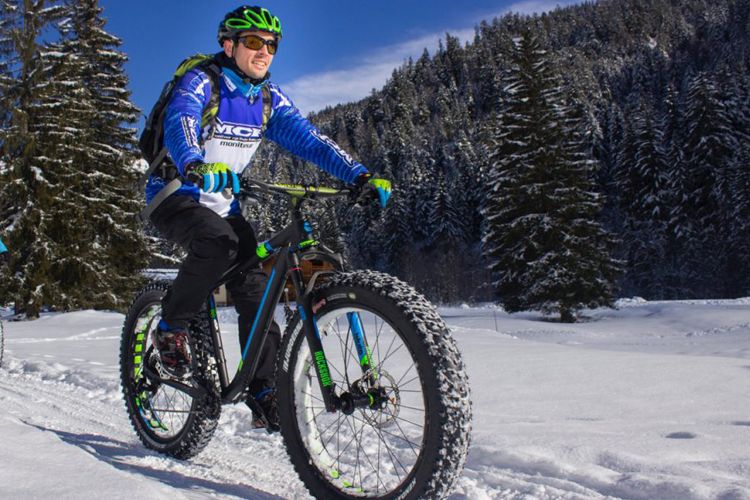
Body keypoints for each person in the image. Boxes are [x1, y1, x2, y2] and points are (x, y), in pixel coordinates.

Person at [144, 5, 391, 430]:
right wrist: (194, 163)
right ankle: (169, 326)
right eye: (254, 42)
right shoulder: (203, 81)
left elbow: (310, 140)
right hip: (175, 192)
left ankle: (263, 390)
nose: (264, 51)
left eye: (271, 44)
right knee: (217, 243)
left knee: (256, 289)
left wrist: (359, 174)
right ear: (229, 44)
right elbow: (181, 120)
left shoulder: (268, 99)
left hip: (223, 203)